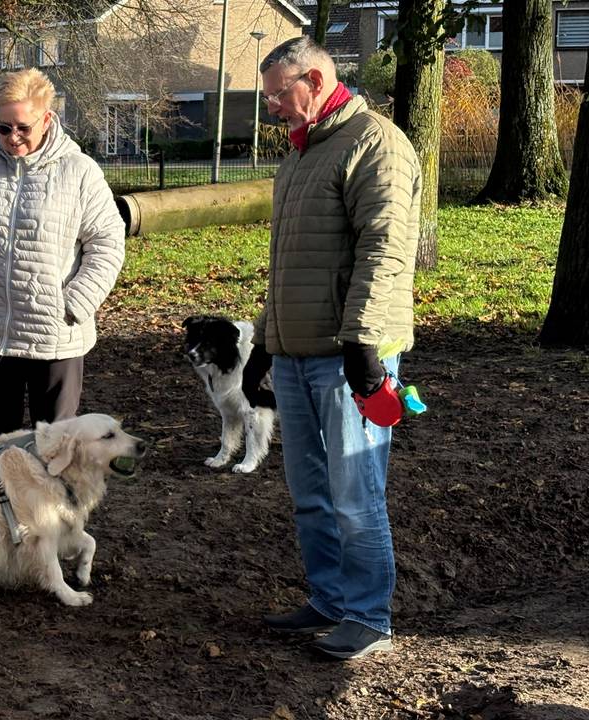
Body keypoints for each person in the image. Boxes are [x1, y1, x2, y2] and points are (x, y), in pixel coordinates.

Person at [242, 37, 421, 660]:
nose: (272, 109)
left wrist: (364, 345)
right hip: (295, 355)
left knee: (354, 494)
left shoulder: (376, 143)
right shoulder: (299, 155)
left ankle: (369, 617)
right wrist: (264, 344)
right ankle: (329, 598)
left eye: (279, 95)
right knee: (310, 491)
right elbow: (287, 265)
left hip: (346, 357)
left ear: (315, 81)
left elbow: (386, 250)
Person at [0, 68, 125, 447]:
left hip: (55, 334)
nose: (12, 138)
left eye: (22, 127)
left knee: (55, 444)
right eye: (2, 128)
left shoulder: (80, 172)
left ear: (47, 119)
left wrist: (74, 303)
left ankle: (51, 509)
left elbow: (108, 242)